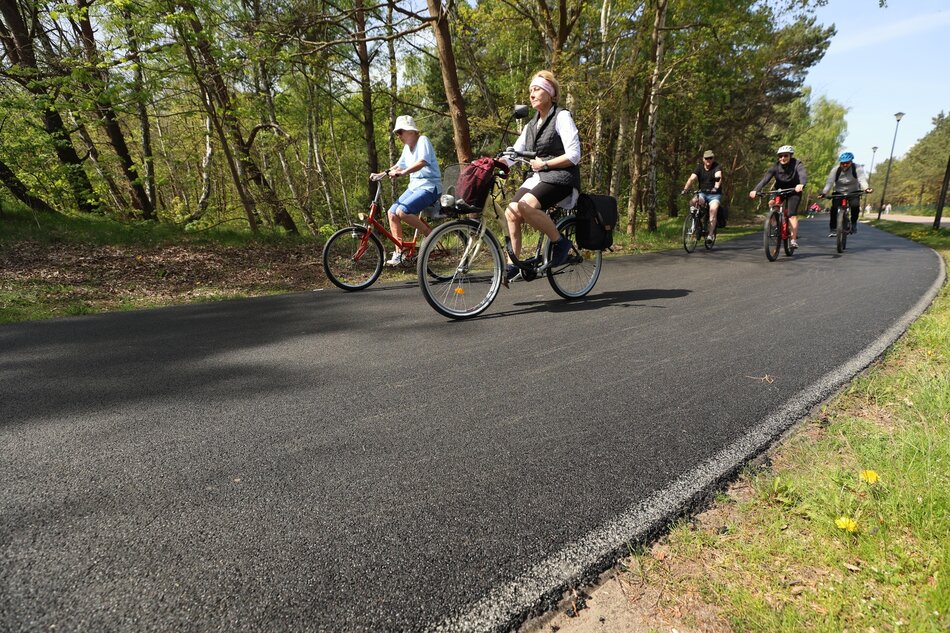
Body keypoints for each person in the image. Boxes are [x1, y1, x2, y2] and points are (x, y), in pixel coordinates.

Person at [502, 70, 579, 282]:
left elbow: (574, 155)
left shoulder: (561, 116)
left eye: (536, 89)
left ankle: (560, 242)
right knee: (511, 211)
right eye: (530, 91)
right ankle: (514, 264)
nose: (532, 94)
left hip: (561, 177)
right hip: (539, 177)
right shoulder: (530, 125)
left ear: (550, 93)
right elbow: (514, 154)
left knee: (525, 206)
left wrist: (545, 164)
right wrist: (497, 162)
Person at [371, 115, 441, 266]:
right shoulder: (407, 148)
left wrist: (402, 173)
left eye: (400, 132)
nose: (399, 136)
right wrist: (381, 174)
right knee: (392, 213)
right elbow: (398, 166)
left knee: (403, 212)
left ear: (411, 131)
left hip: (429, 187)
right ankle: (400, 254)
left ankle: (431, 236)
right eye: (397, 133)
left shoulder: (423, 141)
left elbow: (423, 162)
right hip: (414, 187)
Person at [749, 145, 807, 250]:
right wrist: (755, 190)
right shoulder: (775, 166)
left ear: (790, 156)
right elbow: (765, 179)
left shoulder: (797, 164)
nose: (783, 158)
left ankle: (793, 240)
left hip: (794, 190)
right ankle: (776, 225)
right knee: (771, 204)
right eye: (780, 156)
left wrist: (801, 184)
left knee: (791, 214)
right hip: (779, 190)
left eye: (785, 156)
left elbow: (803, 175)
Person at [821, 151, 872, 237]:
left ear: (851, 162)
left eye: (847, 163)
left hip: (853, 191)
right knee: (834, 208)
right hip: (839, 191)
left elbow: (862, 179)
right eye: (843, 163)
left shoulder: (857, 168)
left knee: (855, 206)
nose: (844, 165)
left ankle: (854, 223)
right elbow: (829, 182)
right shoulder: (835, 170)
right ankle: (833, 229)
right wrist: (823, 193)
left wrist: (866, 188)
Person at [681, 150, 723, 247]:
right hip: (703, 193)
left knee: (713, 210)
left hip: (714, 194)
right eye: (706, 158)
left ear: (713, 159)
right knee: (693, 201)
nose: (708, 160)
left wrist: (716, 187)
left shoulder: (717, 167)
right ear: (703, 159)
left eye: (710, 158)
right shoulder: (699, 167)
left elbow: (718, 177)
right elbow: (691, 178)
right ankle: (696, 220)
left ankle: (710, 235)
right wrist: (685, 189)